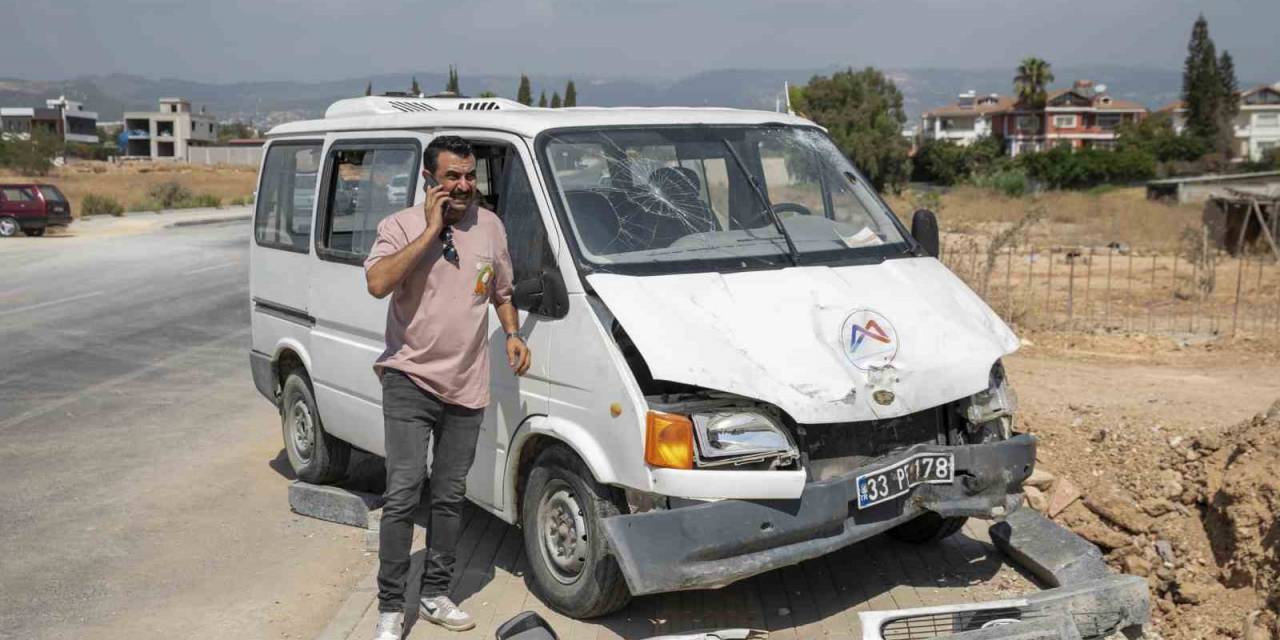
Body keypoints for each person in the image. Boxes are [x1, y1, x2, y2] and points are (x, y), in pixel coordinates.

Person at [364, 136, 531, 637]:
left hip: (466, 383)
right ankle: (392, 607)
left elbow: (501, 291)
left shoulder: (491, 227)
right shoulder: (400, 226)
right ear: (428, 181)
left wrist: (513, 333)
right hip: (409, 377)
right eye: (451, 177)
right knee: (403, 492)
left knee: (450, 495)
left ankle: (435, 593)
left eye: (468, 176)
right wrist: (432, 229)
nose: (462, 185)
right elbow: (377, 283)